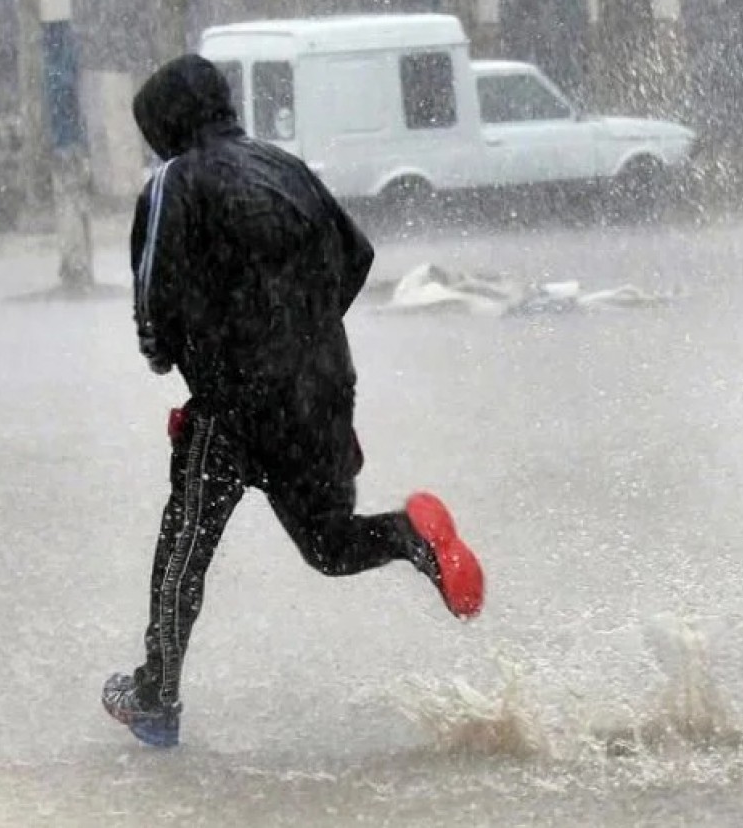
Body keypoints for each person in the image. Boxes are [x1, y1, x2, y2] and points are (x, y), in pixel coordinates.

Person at [102, 54, 484, 748]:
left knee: (186, 544)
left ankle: (155, 698)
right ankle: (412, 538)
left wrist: (171, 355)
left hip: (230, 404)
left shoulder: (174, 182)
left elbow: (153, 299)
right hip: (322, 391)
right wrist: (301, 340)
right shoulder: (285, 167)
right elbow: (357, 255)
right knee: (329, 543)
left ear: (163, 125)